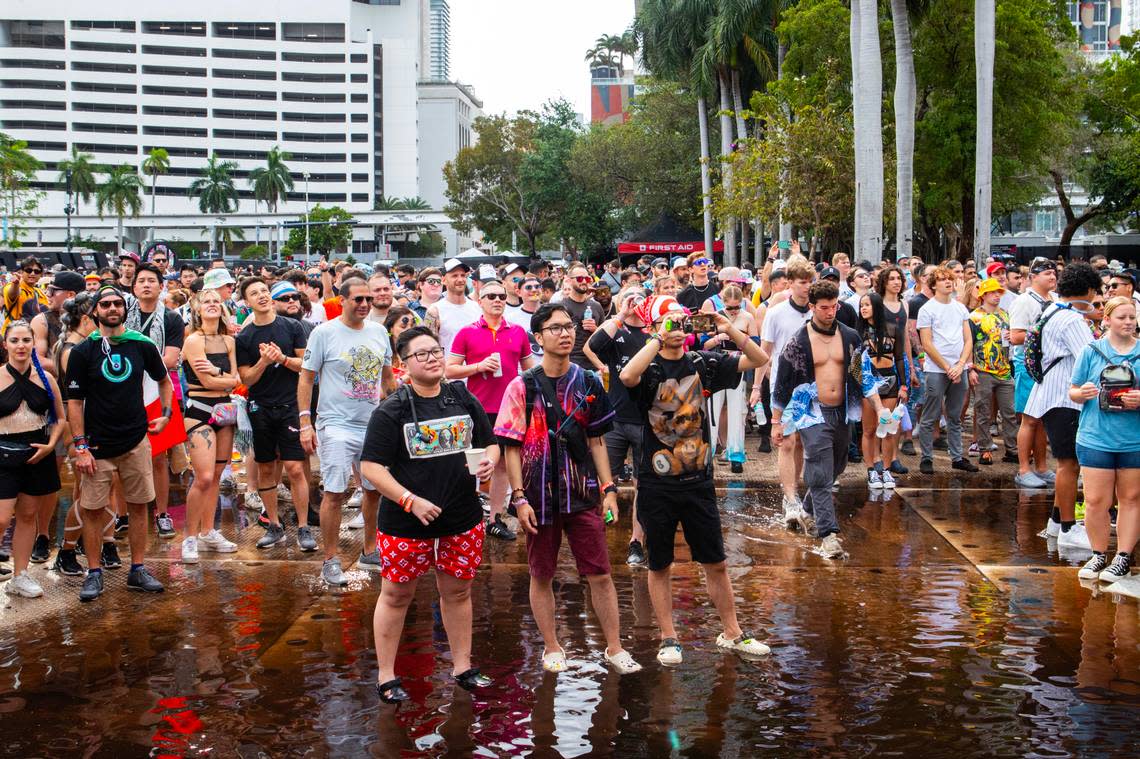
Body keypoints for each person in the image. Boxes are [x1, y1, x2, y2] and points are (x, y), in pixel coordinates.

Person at [620, 295, 771, 666]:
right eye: (668, 321)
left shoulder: (703, 362)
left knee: (715, 561)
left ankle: (733, 632)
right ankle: (669, 637)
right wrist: (660, 335)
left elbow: (759, 359)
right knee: (660, 564)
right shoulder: (650, 367)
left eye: (681, 321)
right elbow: (627, 376)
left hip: (698, 480)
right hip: (656, 482)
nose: (677, 328)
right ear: (655, 326)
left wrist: (727, 328)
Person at [496, 303, 643, 676]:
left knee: (600, 573)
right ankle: (551, 646)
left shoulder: (588, 381)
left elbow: (597, 441)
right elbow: (511, 447)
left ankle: (614, 647)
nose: (566, 333)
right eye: (556, 327)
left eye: (570, 326)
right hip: (538, 496)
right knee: (541, 573)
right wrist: (518, 498)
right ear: (539, 336)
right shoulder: (522, 386)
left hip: (582, 493)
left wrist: (609, 488)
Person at [360, 326, 498, 703]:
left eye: (436, 351)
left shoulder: (461, 397)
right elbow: (371, 467)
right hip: (406, 522)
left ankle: (462, 665)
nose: (433, 358)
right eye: (421, 354)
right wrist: (409, 500)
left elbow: (490, 443)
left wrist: (488, 463)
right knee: (396, 595)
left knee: (458, 591)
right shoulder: (392, 410)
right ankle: (387, 675)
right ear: (402, 365)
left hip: (462, 516)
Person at [66, 285, 171, 602]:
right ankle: (94, 572)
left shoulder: (141, 345)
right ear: (94, 311)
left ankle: (138, 569)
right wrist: (80, 446)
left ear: (125, 310)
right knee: (93, 509)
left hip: (136, 440)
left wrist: (165, 414)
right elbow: (73, 401)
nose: (112, 308)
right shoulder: (84, 352)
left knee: (140, 507)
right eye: (105, 304)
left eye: (117, 303)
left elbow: (164, 380)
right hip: (97, 446)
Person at [772, 281, 888, 558]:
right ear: (811, 307)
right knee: (820, 471)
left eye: (834, 306)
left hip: (842, 411)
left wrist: (880, 408)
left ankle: (808, 511)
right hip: (811, 412)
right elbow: (782, 385)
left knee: (837, 466)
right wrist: (777, 422)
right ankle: (829, 535)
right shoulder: (798, 342)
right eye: (824, 307)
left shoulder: (850, 336)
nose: (830, 312)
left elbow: (864, 375)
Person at [299, 275, 396, 585]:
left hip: (373, 424)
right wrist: (305, 422)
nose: (365, 304)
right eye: (359, 299)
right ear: (342, 300)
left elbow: (388, 379)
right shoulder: (324, 333)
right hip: (335, 424)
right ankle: (330, 559)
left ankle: (370, 550)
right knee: (335, 491)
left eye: (368, 299)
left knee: (373, 490)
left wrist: (398, 415)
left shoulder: (380, 332)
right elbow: (305, 379)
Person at [446, 279, 536, 540]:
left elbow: (529, 369)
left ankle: (495, 518)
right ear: (480, 301)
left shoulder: (518, 331)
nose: (497, 300)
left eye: (501, 296)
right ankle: (464, 515)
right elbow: (449, 369)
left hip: (510, 409)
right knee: (469, 463)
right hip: (476, 408)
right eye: (491, 296)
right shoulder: (467, 332)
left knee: (503, 467)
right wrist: (478, 366)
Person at [234, 277, 315, 551]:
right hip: (260, 408)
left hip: (291, 405)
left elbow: (306, 365)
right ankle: (275, 526)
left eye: (264, 291)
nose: (262, 296)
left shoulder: (292, 327)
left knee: (294, 467)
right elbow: (246, 379)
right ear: (246, 302)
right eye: (254, 293)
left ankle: (303, 527)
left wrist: (282, 359)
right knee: (267, 468)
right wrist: (264, 361)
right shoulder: (244, 337)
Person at [1026, 262, 1101, 552]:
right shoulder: (1071, 319)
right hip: (1065, 399)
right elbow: (1090, 357)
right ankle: (1069, 528)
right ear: (1088, 290)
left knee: (1067, 464)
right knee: (1069, 464)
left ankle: (1057, 523)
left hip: (1054, 396)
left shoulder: (1053, 310)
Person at [1070, 296, 1140, 583]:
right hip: (1095, 437)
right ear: (1107, 320)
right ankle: (1099, 554)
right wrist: (1083, 392)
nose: (1128, 322)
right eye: (1122, 317)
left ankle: (1122, 556)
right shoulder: (1091, 351)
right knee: (1096, 500)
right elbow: (1073, 390)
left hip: (1133, 440)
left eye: (1132, 317)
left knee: (1131, 498)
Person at [0, 321, 65, 598]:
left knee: (28, 516)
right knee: (2, 518)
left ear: (33, 343)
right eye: (14, 340)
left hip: (39, 452)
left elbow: (61, 418)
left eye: (26, 340)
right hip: (3, 453)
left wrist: (51, 445)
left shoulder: (47, 378)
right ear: (5, 345)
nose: (21, 346)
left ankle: (20, 575)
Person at [585, 287, 650, 565]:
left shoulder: (653, 333)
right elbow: (594, 345)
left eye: (640, 297)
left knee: (643, 485)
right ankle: (599, 533)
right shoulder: (615, 329)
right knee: (604, 481)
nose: (635, 302)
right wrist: (621, 314)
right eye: (629, 297)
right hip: (614, 418)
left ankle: (637, 542)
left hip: (646, 419)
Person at [179, 290, 241, 563]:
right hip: (200, 410)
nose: (213, 304)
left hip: (224, 412)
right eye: (206, 301)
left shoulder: (229, 340)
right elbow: (208, 384)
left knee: (216, 476)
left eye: (216, 300)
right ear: (197, 309)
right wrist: (222, 377)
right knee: (203, 477)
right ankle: (189, 537)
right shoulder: (193, 340)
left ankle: (208, 532)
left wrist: (219, 373)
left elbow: (236, 379)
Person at [128, 263, 187, 540]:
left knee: (159, 458)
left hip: (156, 388)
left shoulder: (172, 318)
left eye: (152, 280)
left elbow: (171, 359)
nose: (147, 285)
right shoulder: (120, 312)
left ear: (162, 286)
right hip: (122, 391)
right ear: (134, 286)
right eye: (142, 281)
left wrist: (132, 366)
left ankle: (162, 514)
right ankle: (122, 515)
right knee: (120, 455)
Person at [760, 257, 815, 528]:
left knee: (803, 443)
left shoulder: (819, 312)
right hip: (784, 388)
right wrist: (761, 385)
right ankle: (791, 499)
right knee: (788, 442)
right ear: (790, 284)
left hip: (813, 387)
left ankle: (793, 490)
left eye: (810, 282)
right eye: (802, 282)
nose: (807, 287)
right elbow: (764, 353)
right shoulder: (776, 313)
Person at [915, 266, 978, 475]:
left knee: (955, 415)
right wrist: (947, 367)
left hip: (958, 368)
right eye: (942, 280)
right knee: (930, 415)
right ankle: (926, 457)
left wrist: (961, 365)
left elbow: (968, 339)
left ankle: (957, 457)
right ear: (933, 285)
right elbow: (927, 342)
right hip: (936, 370)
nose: (948, 282)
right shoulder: (927, 309)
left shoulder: (960, 308)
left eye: (949, 279)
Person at [1008, 260, 1058, 489]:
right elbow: (1015, 336)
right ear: (1033, 277)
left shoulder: (1055, 300)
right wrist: (1042, 329)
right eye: (1047, 273)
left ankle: (1041, 467)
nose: (1052, 276)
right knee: (1029, 418)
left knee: (1043, 420)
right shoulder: (1023, 301)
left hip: (1049, 364)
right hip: (1028, 363)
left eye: (1054, 273)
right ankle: (1023, 468)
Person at [856, 292, 908, 488]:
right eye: (862, 305)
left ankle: (885, 470)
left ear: (876, 306)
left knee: (887, 428)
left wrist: (904, 385)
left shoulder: (894, 329)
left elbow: (900, 358)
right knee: (868, 429)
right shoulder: (857, 332)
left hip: (890, 381)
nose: (864, 308)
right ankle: (871, 470)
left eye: (867, 304)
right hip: (869, 383)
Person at [968, 278, 1017, 466]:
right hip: (982, 370)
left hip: (1004, 370)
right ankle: (985, 449)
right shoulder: (974, 317)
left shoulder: (1006, 315)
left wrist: (1011, 337)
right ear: (984, 295)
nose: (997, 295)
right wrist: (970, 368)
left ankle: (1012, 449)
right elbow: (969, 344)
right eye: (993, 292)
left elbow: (1012, 338)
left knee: (1009, 412)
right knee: (983, 411)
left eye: (999, 292)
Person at [425, 259, 481, 355]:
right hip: (447, 367)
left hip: (475, 367)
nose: (460, 280)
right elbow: (428, 345)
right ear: (443, 280)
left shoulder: (478, 308)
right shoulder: (434, 311)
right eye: (454, 276)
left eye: (463, 275)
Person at [557, 264, 605, 369]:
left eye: (587, 278)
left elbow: (606, 338)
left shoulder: (596, 306)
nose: (584, 281)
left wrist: (595, 330)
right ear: (569, 281)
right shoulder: (560, 307)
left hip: (594, 365)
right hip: (569, 365)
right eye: (579, 278)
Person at [2, 256, 48, 332]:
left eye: (37, 271)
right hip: (13, 336)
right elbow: (13, 294)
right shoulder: (11, 286)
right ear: (22, 272)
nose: (33, 273)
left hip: (33, 337)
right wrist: (15, 284)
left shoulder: (40, 293)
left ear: (41, 274)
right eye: (29, 270)